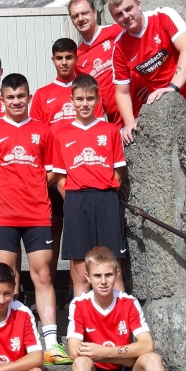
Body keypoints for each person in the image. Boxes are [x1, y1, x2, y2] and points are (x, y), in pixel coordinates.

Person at [0, 73, 62, 358]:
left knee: (43, 275)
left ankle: (51, 343)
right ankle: (10, 341)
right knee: (5, 278)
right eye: (10, 97)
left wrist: (33, 187)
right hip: (3, 217)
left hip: (37, 214)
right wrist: (1, 196)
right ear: (2, 100)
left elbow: (53, 171)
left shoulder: (44, 131)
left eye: (21, 96)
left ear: (29, 97)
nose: (16, 101)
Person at [30, 37, 101, 281]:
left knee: (77, 229)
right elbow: (37, 135)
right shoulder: (42, 94)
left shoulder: (87, 90)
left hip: (82, 169)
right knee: (53, 228)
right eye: (59, 58)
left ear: (76, 58)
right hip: (53, 170)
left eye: (68, 57)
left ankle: (77, 287)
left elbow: (98, 126)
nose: (64, 62)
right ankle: (49, 284)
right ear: (53, 60)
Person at [109, 0, 186, 144]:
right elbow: (122, 92)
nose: (125, 16)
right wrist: (130, 122)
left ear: (139, 5)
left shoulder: (163, 16)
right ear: (114, 19)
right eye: (119, 14)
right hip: (165, 106)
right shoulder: (119, 47)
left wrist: (172, 86)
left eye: (128, 9)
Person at [51, 75, 127, 297]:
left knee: (113, 268)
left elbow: (117, 173)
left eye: (90, 99)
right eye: (79, 99)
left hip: (106, 199)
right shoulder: (61, 135)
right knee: (80, 272)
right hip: (76, 200)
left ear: (98, 99)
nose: (85, 104)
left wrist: (104, 193)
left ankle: (120, 317)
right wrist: (74, 200)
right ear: (71, 101)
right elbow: (60, 178)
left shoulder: (110, 130)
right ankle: (81, 319)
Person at [68, 0, 122, 123]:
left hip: (139, 109)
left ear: (95, 13)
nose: (81, 18)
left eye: (85, 13)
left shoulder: (117, 31)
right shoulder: (78, 56)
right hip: (113, 122)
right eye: (75, 16)